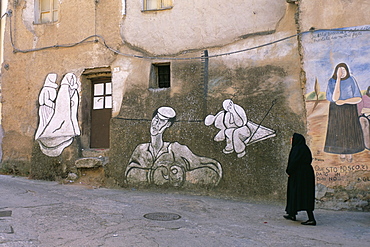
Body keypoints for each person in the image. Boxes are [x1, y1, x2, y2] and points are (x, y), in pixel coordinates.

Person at [125, 106, 222, 187]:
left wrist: (183, 177)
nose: (156, 124)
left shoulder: (177, 149)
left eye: (161, 121)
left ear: (167, 124)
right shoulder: (141, 149)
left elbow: (213, 169)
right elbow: (129, 174)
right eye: (155, 119)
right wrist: (151, 176)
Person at [324, 63, 364, 162]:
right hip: (336, 109)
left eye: (343, 70)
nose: (342, 73)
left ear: (347, 70)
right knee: (338, 130)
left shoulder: (351, 80)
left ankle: (349, 152)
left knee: (349, 130)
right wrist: (338, 79)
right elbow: (334, 98)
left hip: (349, 108)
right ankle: (341, 152)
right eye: (339, 71)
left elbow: (358, 98)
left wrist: (345, 101)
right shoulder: (331, 81)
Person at [284, 133, 316, 226]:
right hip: (306, 175)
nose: (291, 140)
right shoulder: (304, 148)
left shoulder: (297, 149)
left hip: (298, 175)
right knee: (305, 194)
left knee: (296, 193)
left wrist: (289, 171)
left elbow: (293, 162)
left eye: (292, 138)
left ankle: (311, 219)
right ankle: (292, 214)